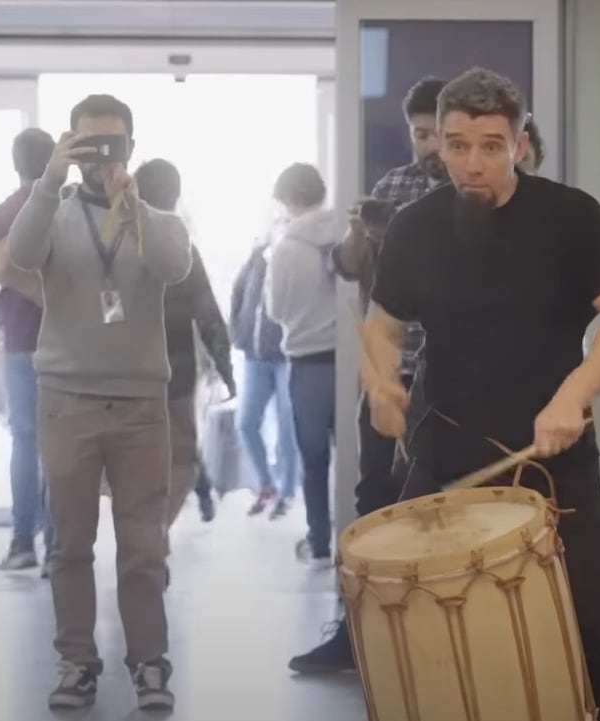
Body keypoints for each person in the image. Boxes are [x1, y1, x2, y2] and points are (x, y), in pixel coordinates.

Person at [361, 67, 600, 721]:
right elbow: (383, 324)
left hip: (553, 457)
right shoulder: (414, 225)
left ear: (518, 144)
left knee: (588, 620)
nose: (472, 162)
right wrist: (381, 382)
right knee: (409, 609)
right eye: (457, 143)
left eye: (490, 145)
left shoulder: (569, 216)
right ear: (437, 142)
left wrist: (573, 394)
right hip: (444, 449)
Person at [10, 93, 192, 710]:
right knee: (70, 543)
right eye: (89, 145)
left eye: (112, 146)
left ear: (131, 150)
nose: (101, 158)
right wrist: (48, 180)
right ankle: (75, 662)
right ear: (71, 144)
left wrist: (133, 204)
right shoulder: (54, 211)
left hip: (141, 405)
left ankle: (149, 662)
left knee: (143, 547)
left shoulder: (154, 217)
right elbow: (24, 254)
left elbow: (172, 266)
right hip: (67, 399)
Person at [289, 75, 447, 674]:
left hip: (452, 379)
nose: (428, 146)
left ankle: (428, 631)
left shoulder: (469, 191)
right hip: (389, 372)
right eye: (419, 134)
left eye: (436, 133)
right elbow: (351, 269)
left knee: (435, 506)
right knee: (372, 499)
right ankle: (355, 627)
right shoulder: (393, 185)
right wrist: (362, 229)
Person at [133, 159, 235, 534]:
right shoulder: (179, 246)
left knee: (135, 464)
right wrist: (226, 370)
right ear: (175, 196)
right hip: (174, 374)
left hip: (125, 375)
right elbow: (207, 313)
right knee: (181, 462)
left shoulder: (115, 244)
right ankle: (156, 533)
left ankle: (146, 535)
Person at [263, 162, 339, 568]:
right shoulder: (346, 233)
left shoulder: (287, 248)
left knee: (314, 460)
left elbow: (275, 310)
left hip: (307, 363)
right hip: (349, 362)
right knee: (357, 457)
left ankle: (320, 542)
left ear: (289, 200)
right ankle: (357, 536)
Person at [0, 128, 55, 574]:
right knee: (62, 447)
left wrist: (1, 318)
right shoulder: (66, 213)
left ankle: (22, 543)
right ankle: (60, 550)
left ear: (15, 164)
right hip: (67, 345)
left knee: (25, 441)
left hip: (18, 344)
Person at [231, 227, 299, 520]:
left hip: (286, 357)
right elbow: (238, 294)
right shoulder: (257, 257)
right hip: (255, 356)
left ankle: (286, 493)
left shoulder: (296, 254)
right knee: (246, 423)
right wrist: (238, 333)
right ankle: (267, 485)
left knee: (288, 430)